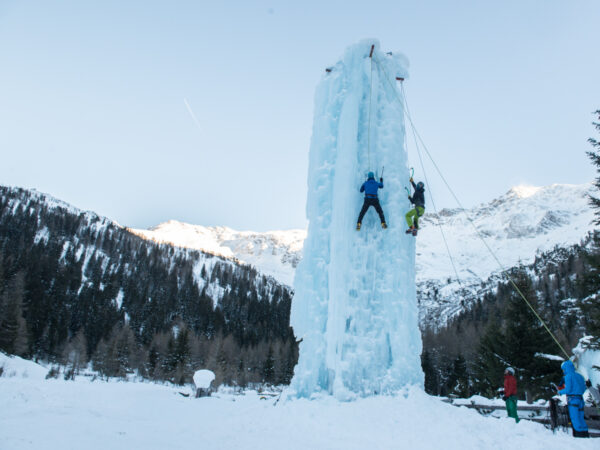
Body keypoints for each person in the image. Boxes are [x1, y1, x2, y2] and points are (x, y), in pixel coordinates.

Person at [556, 360, 589, 438]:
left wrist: (560, 392)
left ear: (565, 368)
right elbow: (584, 388)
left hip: (573, 400)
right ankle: (585, 433)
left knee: (575, 418)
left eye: (563, 369)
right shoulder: (580, 376)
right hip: (580, 399)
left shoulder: (568, 377)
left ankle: (579, 435)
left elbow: (568, 389)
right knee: (581, 417)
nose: (563, 371)